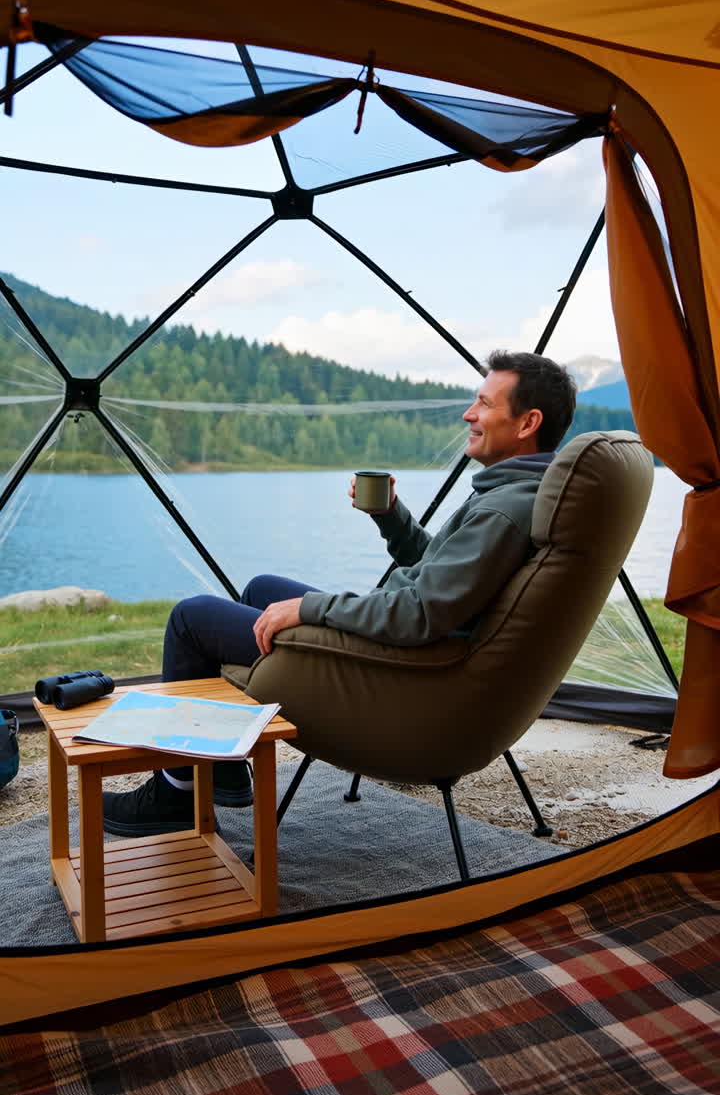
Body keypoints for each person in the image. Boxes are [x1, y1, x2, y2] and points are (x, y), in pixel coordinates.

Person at [103, 350, 576, 836]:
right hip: (411, 655)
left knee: (191, 619)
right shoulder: (516, 494)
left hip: (396, 672)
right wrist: (392, 517)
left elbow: (419, 613)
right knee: (261, 589)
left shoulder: (505, 509)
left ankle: (174, 796)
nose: (468, 414)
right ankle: (223, 769)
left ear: (527, 423)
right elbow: (446, 577)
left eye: (483, 403)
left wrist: (311, 609)